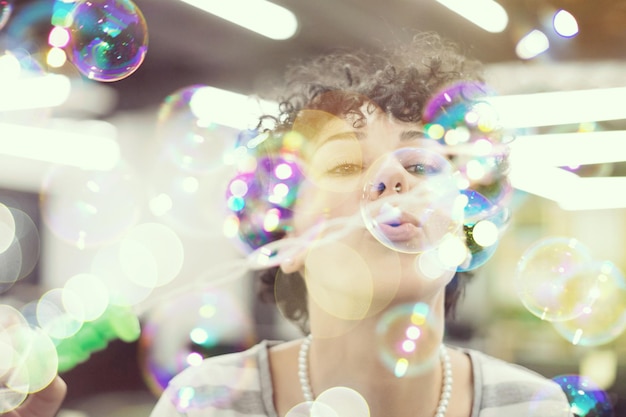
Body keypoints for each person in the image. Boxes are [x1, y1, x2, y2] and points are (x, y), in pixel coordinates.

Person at [149, 32, 574, 417]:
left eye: (422, 167)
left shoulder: (530, 406)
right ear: (288, 238)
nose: (393, 179)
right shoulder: (206, 403)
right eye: (347, 164)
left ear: (462, 230)